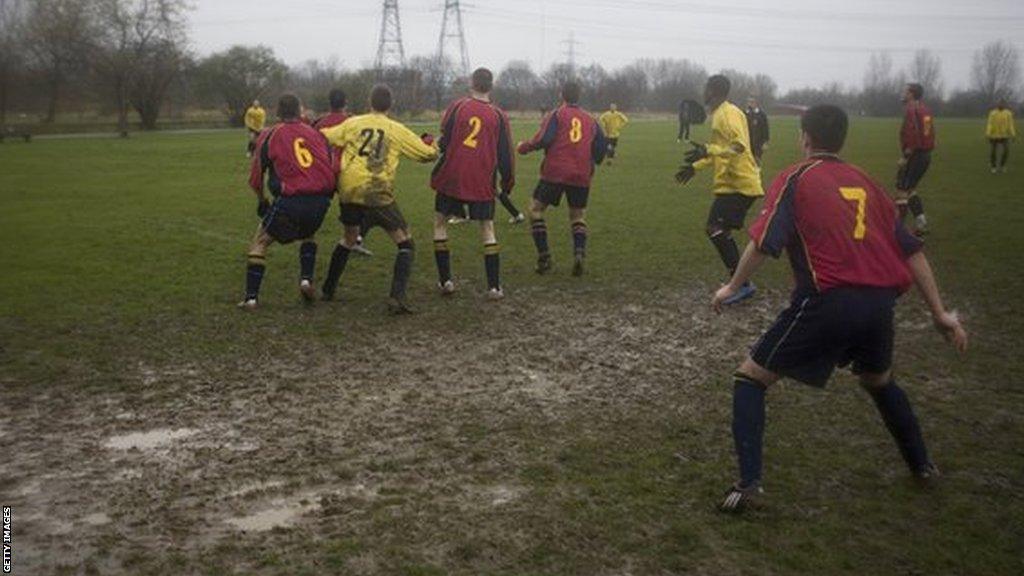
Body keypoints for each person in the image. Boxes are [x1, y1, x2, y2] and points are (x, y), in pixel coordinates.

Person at [710, 105, 968, 513]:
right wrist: (940, 313)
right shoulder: (866, 182)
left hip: (829, 301)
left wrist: (731, 286)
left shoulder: (796, 177)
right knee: (878, 380)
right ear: (842, 139)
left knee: (750, 378)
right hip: (880, 304)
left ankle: (750, 484)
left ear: (805, 137)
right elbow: (913, 252)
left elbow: (762, 243)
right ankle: (923, 467)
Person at [319, 84, 439, 314]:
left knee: (349, 237)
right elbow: (427, 155)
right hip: (377, 189)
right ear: (390, 105)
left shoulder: (353, 123)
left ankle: (327, 289)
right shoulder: (396, 129)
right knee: (406, 243)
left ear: (369, 102)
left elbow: (325, 137)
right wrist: (431, 142)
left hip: (349, 188)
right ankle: (397, 297)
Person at [239, 94, 336, 309]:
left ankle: (251, 299)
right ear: (300, 111)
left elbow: (255, 178)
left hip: (291, 200)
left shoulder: (270, 135)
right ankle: (306, 280)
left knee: (260, 243)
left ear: (277, 112)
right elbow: (332, 165)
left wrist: (262, 200)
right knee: (308, 235)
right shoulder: (316, 134)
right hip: (320, 201)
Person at [675, 74, 763, 305]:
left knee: (714, 228)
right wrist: (695, 166)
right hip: (734, 184)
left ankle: (741, 284)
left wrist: (708, 150)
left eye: (706, 88)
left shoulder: (727, 113)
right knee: (721, 230)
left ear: (713, 91)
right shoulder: (722, 113)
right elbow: (720, 151)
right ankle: (739, 282)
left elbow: (738, 146)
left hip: (739, 184)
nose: (703, 93)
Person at [430, 68, 516, 299]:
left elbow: (444, 139)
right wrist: (508, 182)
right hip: (482, 180)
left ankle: (446, 281)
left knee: (440, 223)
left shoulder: (457, 107)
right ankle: (494, 287)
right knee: (487, 228)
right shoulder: (499, 115)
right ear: (491, 86)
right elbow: (506, 154)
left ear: (472, 83)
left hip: (452, 177)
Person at [517, 81, 606, 276]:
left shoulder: (557, 114)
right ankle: (579, 253)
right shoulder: (591, 119)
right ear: (579, 96)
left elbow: (544, 139)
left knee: (535, 210)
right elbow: (601, 146)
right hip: (581, 174)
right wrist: (593, 161)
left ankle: (544, 257)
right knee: (578, 216)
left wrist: (524, 147)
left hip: (555, 172)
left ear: (561, 95)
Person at [314, 88, 374, 257]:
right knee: (362, 208)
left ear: (329, 103)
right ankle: (355, 240)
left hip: (324, 173)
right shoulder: (352, 122)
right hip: (346, 173)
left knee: (317, 211)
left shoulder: (319, 123)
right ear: (345, 102)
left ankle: (308, 239)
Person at [895, 83, 935, 235]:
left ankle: (898, 228)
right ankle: (921, 223)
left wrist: (905, 156)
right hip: (925, 155)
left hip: (915, 154)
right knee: (910, 188)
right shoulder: (925, 110)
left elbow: (914, 135)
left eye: (905, 91)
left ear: (911, 94)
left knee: (902, 188)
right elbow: (930, 134)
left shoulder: (912, 110)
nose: (903, 93)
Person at [985, 99, 1016, 173]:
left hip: (1004, 136)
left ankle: (1002, 165)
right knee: (993, 152)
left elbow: (1010, 124)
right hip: (994, 136)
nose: (1001, 105)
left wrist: (1013, 134)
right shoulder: (992, 113)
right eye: (999, 103)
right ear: (997, 104)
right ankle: (993, 166)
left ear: (1005, 104)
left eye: (1002, 103)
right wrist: (988, 133)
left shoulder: (1008, 113)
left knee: (1006, 151)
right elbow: (990, 124)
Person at [744, 96, 770, 164]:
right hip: (746, 143)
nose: (750, 104)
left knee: (756, 162)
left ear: (756, 103)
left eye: (752, 102)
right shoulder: (744, 113)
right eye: (749, 102)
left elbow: (765, 128)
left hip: (758, 144)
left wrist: (765, 142)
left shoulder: (762, 115)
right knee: (747, 163)